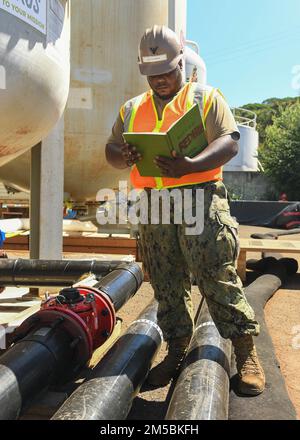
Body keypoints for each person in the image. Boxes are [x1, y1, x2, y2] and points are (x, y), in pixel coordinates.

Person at [106, 25, 265, 395]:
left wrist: (190, 165)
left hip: (201, 199)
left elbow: (230, 142)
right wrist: (123, 154)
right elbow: (111, 149)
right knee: (165, 281)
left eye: (167, 71)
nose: (160, 80)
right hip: (155, 205)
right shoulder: (132, 108)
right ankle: (177, 350)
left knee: (216, 275)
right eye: (152, 74)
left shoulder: (207, 98)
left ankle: (246, 354)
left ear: (182, 62)